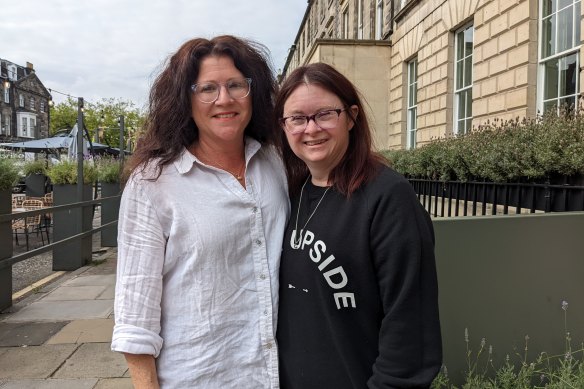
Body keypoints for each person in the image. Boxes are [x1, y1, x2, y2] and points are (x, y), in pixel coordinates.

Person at [111, 35, 290, 388]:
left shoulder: (276, 163)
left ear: (253, 92)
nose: (224, 99)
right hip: (198, 376)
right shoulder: (153, 183)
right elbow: (135, 315)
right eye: (207, 88)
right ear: (186, 99)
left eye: (236, 85)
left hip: (273, 374)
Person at [274, 63, 442, 388]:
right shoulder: (288, 195)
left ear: (351, 117)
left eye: (325, 114)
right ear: (283, 126)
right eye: (297, 118)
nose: (310, 129)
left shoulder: (387, 197)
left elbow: (409, 328)